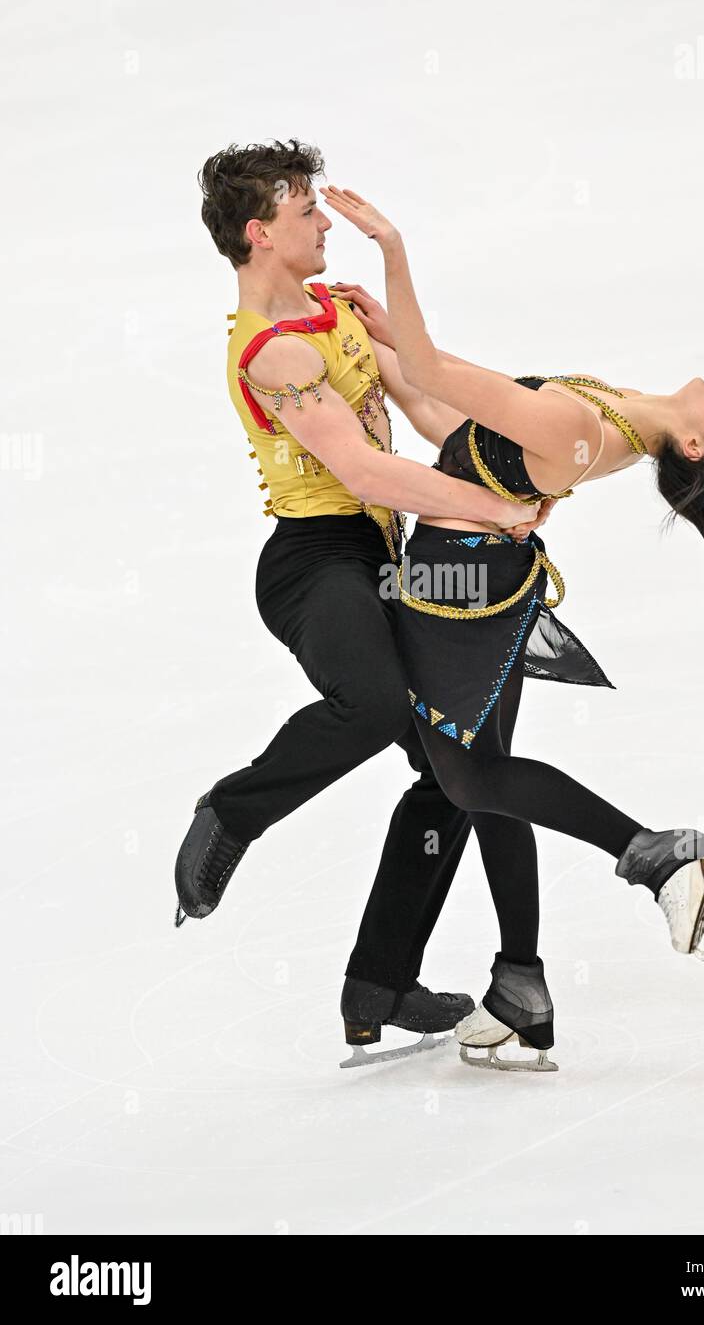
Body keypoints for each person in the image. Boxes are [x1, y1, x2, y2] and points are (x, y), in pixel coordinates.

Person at [316, 181, 704, 1072]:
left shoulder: (585, 424)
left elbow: (438, 382)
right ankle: (522, 982)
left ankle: (660, 857)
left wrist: (392, 253)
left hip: (454, 590)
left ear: (699, 449)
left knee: (472, 779)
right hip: (485, 580)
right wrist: (386, 339)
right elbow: (447, 418)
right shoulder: (614, 417)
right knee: (486, 780)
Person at [173, 140, 549, 1065]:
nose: (324, 222)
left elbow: (423, 409)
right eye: (307, 213)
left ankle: (378, 983)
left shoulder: (339, 312)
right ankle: (234, 810)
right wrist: (488, 508)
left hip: (388, 554)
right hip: (316, 561)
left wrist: (523, 460)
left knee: (455, 769)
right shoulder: (270, 354)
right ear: (260, 233)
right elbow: (362, 467)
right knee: (375, 703)